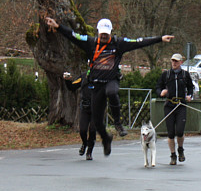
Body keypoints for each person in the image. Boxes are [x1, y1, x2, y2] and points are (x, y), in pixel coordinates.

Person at [46, 17, 174, 157]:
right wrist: (58, 27)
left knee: (112, 92)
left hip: (111, 80)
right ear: (98, 33)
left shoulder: (118, 43)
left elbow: (139, 42)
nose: (104, 36)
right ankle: (106, 139)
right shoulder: (90, 43)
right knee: (98, 122)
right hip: (96, 84)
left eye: (107, 34)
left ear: (111, 32)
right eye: (102, 34)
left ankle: (118, 124)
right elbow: (72, 36)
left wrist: (160, 39)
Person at [156, 53, 194, 165]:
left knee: (180, 131)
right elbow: (158, 87)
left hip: (181, 105)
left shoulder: (185, 75)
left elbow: (191, 87)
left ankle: (180, 149)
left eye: (176, 61)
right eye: (172, 61)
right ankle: (173, 155)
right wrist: (161, 93)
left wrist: (190, 96)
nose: (174, 63)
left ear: (181, 62)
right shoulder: (166, 75)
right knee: (171, 133)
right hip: (169, 105)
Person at [64, 71, 96, 161]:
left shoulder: (102, 78)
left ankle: (89, 152)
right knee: (82, 130)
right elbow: (72, 87)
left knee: (93, 131)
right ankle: (84, 144)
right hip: (85, 108)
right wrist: (67, 80)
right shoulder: (83, 77)